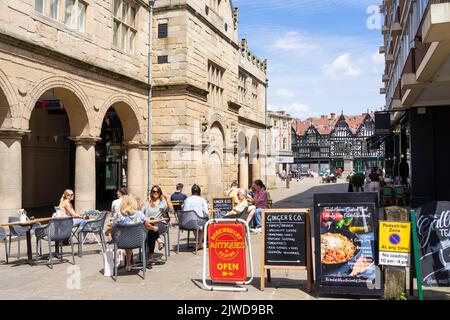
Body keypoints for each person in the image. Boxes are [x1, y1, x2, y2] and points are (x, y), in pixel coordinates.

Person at [104, 194, 146, 272]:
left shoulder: (118, 215)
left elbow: (112, 227)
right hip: (137, 240)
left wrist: (106, 232)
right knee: (131, 238)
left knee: (125, 238)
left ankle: (126, 263)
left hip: (121, 241)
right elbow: (146, 224)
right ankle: (128, 264)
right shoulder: (140, 214)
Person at [142, 185, 173, 263]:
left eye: (157, 191)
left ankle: (150, 255)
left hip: (160, 224)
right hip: (149, 223)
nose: (155, 193)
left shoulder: (162, 203)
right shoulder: (147, 203)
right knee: (151, 229)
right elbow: (141, 214)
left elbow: (171, 210)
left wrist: (168, 199)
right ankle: (159, 240)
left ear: (160, 193)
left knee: (151, 229)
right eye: (154, 191)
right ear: (151, 193)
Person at [182, 184, 209, 250]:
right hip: (197, 223)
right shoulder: (202, 199)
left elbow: (183, 209)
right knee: (205, 222)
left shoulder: (187, 199)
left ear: (192, 192)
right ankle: (200, 243)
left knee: (195, 222)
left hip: (187, 223)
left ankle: (199, 243)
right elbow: (206, 212)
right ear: (199, 192)